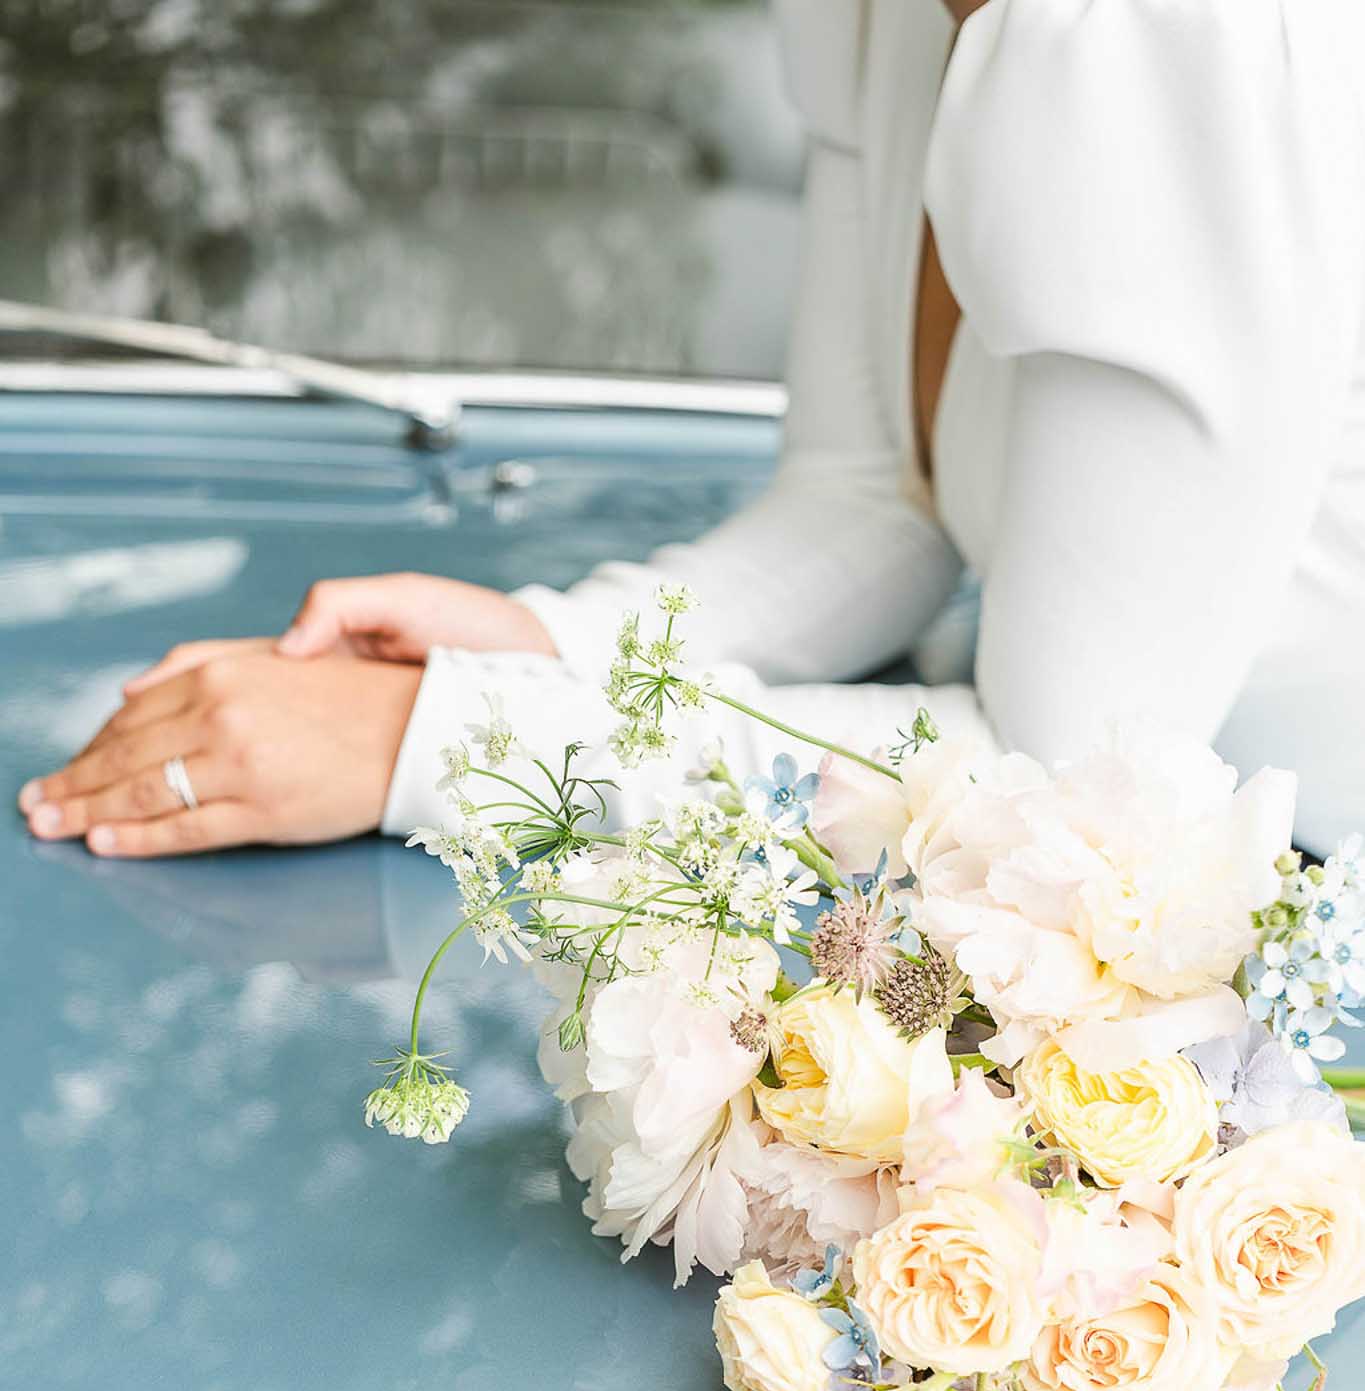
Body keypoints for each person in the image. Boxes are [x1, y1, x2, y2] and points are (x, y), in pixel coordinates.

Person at [18, 0, 1365, 860]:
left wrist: (435, 744)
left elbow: (1069, 782)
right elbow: (871, 494)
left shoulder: (1193, 31)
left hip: (1295, 965)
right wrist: (557, 642)